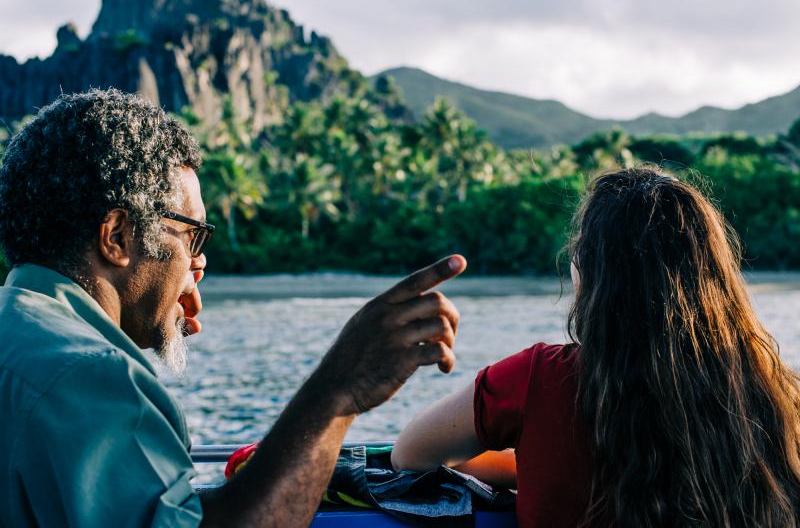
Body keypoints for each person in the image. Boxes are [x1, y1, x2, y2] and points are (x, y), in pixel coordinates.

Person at [0, 89, 466, 527]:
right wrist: (340, 388)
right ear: (118, 236)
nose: (198, 262)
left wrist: (144, 322)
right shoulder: (91, 377)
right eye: (191, 234)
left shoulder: (23, 338)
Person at [392, 168, 800, 527]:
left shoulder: (539, 378)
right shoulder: (773, 390)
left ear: (588, 274)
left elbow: (411, 454)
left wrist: (533, 466)